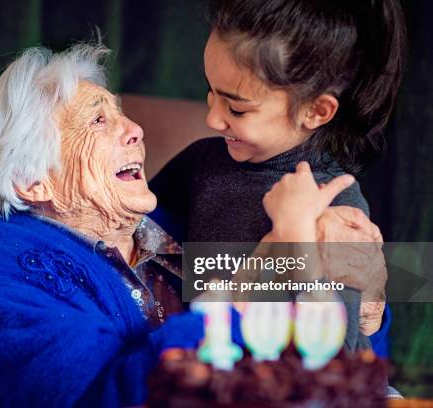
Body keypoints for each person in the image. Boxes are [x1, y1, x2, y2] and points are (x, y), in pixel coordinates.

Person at [0, 43, 374, 407]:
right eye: (99, 120)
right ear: (33, 180)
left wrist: (369, 296)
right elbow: (93, 397)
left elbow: (345, 361)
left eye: (121, 112)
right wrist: (275, 262)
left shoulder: (177, 225)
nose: (135, 129)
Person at [150, 0, 404, 355]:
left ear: (316, 110)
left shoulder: (335, 210)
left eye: (236, 108)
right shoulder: (202, 161)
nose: (213, 119)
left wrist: (295, 240)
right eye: (211, 92)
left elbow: (339, 352)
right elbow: (135, 230)